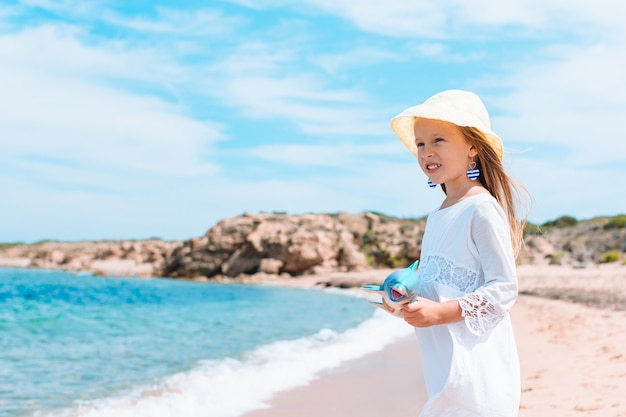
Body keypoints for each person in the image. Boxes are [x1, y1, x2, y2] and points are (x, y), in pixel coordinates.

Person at [387, 89, 529, 417]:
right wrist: (402, 302)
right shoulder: (437, 216)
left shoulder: (480, 208)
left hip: (476, 370)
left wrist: (439, 314)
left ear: (472, 147)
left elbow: (504, 289)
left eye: (439, 140)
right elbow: (435, 288)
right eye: (420, 143)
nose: (426, 151)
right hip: (444, 369)